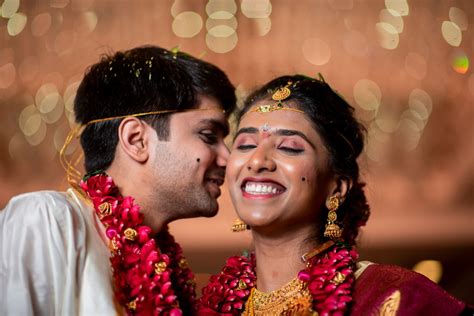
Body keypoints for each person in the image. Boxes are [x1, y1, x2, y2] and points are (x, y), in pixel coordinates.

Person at [197, 75, 470, 315]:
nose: (257, 161)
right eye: (245, 144)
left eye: (290, 147)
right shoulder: (212, 308)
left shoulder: (392, 297)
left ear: (337, 186)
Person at [0, 45, 236, 315]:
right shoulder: (48, 221)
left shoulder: (166, 266)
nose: (227, 159)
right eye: (208, 135)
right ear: (137, 140)